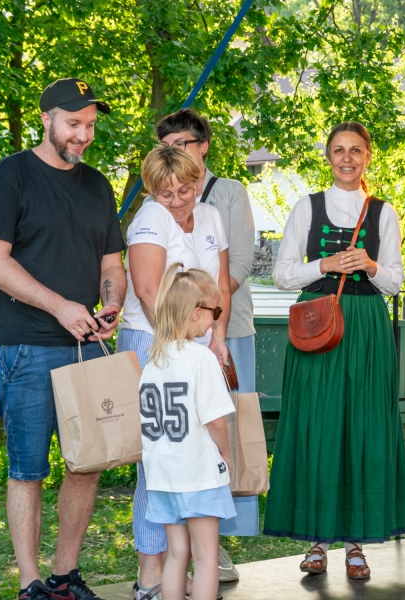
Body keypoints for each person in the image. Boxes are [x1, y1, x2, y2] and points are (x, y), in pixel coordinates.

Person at [0, 78, 126, 600]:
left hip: (86, 348)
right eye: (73, 124)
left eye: (90, 125)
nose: (83, 135)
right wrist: (60, 306)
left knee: (88, 463)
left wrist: (111, 303)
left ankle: (64, 576)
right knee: (28, 470)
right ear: (47, 119)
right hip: (26, 344)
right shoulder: (11, 175)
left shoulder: (98, 185)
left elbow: (112, 264)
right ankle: (30, 583)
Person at [263, 121, 405, 580]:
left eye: (356, 150)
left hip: (366, 328)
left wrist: (369, 265)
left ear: (368, 156)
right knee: (318, 425)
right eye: (338, 150)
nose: (347, 158)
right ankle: (315, 540)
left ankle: (355, 544)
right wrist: (325, 264)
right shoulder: (306, 207)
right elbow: (281, 274)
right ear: (328, 157)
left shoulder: (383, 212)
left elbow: (395, 282)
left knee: (362, 428)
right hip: (317, 323)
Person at [119, 145, 232, 599]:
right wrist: (175, 340)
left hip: (198, 335)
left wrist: (216, 335)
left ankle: (172, 574)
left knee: (183, 454)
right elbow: (149, 291)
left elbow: (221, 285)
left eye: (186, 190)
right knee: (159, 460)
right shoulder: (150, 218)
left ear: (198, 181)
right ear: (151, 190)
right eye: (166, 193)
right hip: (155, 337)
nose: (178, 200)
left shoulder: (211, 216)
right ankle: (151, 571)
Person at [154, 108, 259, 583]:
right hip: (182, 331)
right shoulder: (161, 196)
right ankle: (198, 548)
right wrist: (185, 321)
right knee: (192, 431)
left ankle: (221, 542)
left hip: (226, 326)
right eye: (166, 145)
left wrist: (209, 314)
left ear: (203, 146)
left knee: (227, 421)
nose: (174, 151)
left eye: (181, 143)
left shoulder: (228, 192)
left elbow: (238, 264)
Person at [140, 263, 236, 600]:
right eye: (215, 312)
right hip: (198, 473)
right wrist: (226, 454)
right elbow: (215, 421)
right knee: (206, 554)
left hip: (162, 476)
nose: (215, 319)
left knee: (177, 553)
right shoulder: (200, 359)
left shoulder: (153, 361)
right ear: (196, 313)